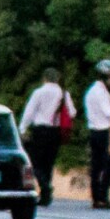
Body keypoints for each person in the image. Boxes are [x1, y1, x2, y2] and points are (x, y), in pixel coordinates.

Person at [17, 68, 71, 206]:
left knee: (35, 161)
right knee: (49, 162)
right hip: (55, 131)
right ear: (57, 78)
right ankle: (46, 195)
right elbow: (72, 111)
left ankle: (45, 188)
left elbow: (30, 111)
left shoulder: (39, 92)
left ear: (44, 78)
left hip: (40, 130)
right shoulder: (64, 94)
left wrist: (22, 128)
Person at [83, 60, 110, 207]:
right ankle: (103, 197)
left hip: (94, 132)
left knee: (96, 166)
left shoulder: (91, 91)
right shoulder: (101, 93)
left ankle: (96, 197)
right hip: (104, 132)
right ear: (105, 76)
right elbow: (109, 113)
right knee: (108, 165)